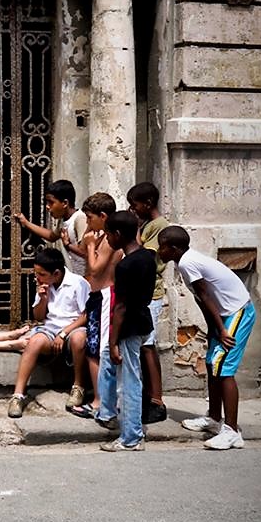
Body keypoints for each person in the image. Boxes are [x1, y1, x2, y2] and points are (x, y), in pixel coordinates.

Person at [157, 225, 256, 450]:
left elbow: (205, 295)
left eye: (162, 247)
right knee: (212, 364)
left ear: (173, 249)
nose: (159, 250)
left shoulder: (187, 263)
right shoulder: (185, 262)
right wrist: (213, 328)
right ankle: (214, 418)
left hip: (237, 311)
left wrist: (221, 330)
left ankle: (232, 431)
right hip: (224, 316)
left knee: (224, 368)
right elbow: (202, 301)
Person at [7, 247, 90, 418]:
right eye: (36, 273)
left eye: (42, 274)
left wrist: (64, 333)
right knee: (35, 342)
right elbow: (38, 316)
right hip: (50, 328)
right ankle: (18, 395)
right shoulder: (45, 285)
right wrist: (43, 299)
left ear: (57, 273)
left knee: (79, 339)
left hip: (73, 328)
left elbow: (86, 315)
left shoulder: (78, 283)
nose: (37, 278)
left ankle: (78, 387)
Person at [99, 210, 156, 452]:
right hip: (143, 319)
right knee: (107, 359)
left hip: (129, 326)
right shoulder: (147, 257)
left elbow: (120, 307)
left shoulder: (124, 266)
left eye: (107, 235)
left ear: (118, 234)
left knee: (131, 380)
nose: (106, 240)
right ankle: (107, 412)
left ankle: (131, 437)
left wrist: (113, 340)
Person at [69, 192, 123, 420]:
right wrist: (89, 241)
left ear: (103, 216)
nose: (88, 223)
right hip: (97, 297)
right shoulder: (101, 235)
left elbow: (95, 269)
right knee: (93, 350)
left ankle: (102, 401)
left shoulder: (110, 240)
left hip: (105, 296)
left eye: (90, 218)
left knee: (99, 351)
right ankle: (100, 399)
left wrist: (91, 246)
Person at [127, 181, 170, 425]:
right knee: (144, 344)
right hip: (144, 292)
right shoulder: (149, 225)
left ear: (148, 204)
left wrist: (134, 231)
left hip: (151, 293)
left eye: (135, 206)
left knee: (148, 345)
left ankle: (157, 400)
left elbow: (145, 256)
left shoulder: (159, 226)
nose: (134, 210)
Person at [14, 179, 87, 277]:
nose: (47, 207)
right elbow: (51, 236)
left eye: (51, 202)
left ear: (65, 203)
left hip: (85, 278)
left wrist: (68, 245)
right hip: (75, 276)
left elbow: (85, 252)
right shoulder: (63, 220)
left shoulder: (79, 218)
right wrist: (26, 223)